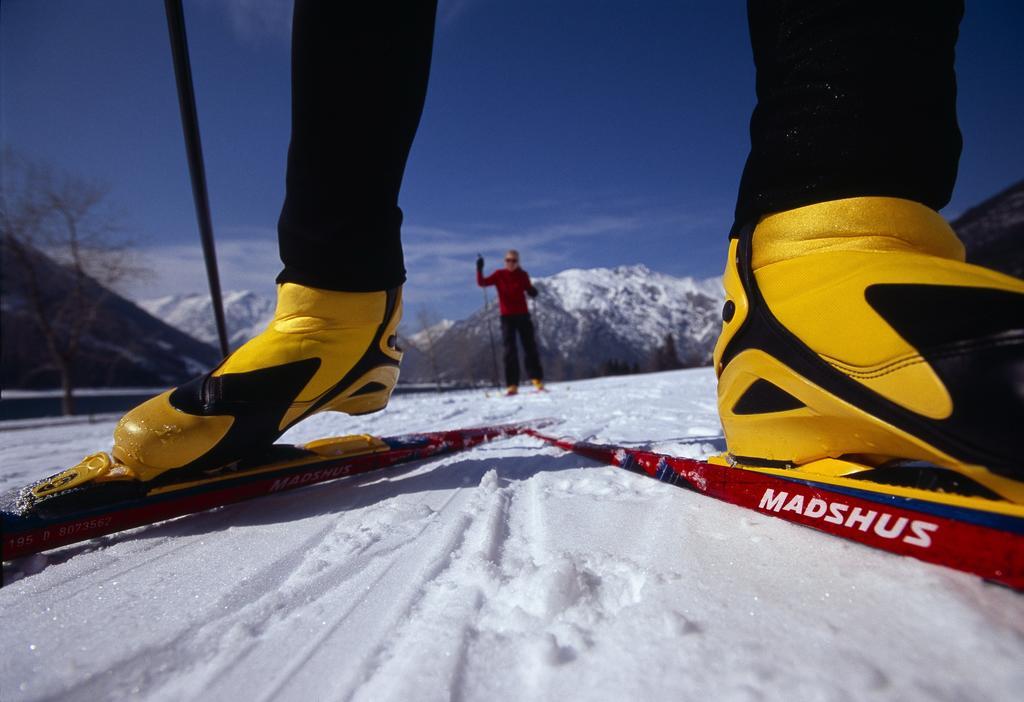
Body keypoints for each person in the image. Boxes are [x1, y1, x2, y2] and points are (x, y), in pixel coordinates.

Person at [112, 0, 1022, 488]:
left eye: (507, 261)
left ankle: (831, 232)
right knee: (511, 341)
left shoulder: (520, 274)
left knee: (526, 340)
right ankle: (332, 314)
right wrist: (479, 281)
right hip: (484, 311)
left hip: (526, 316)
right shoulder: (498, 274)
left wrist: (522, 289)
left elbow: (529, 293)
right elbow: (495, 285)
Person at [476, 250, 545, 395]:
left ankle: (536, 379)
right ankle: (512, 385)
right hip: (507, 317)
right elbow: (482, 283)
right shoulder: (499, 275)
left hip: (523, 315)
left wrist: (532, 291)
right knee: (510, 351)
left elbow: (527, 288)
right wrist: (479, 269)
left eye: (513, 261)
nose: (510, 263)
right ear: (504, 261)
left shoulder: (522, 275)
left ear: (518, 262)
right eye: (508, 260)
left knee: (529, 347)